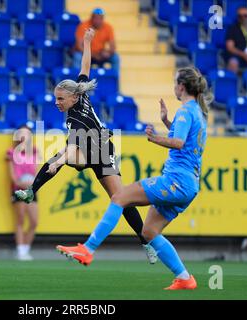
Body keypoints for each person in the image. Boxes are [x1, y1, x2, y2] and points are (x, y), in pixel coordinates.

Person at [57, 67, 213, 290]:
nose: (174, 87)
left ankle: (88, 249)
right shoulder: (197, 112)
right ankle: (185, 278)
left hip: (176, 181)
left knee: (119, 197)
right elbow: (185, 139)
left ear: (182, 86)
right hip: (189, 185)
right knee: (149, 231)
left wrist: (154, 138)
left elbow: (178, 143)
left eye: (175, 83)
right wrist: (167, 121)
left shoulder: (186, 111)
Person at [15, 28, 157, 263]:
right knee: (60, 155)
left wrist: (59, 162)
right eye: (55, 98)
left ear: (72, 97)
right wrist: (88, 42)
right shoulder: (81, 96)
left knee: (120, 198)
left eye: (60, 98)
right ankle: (31, 192)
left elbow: (71, 149)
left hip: (101, 150)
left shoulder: (74, 119)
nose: (56, 102)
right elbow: (85, 67)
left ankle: (147, 242)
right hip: (85, 150)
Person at [6, 125, 39, 261]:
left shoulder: (34, 151)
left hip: (31, 189)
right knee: (20, 219)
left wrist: (33, 184)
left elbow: (36, 171)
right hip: (18, 189)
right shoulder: (12, 152)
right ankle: (20, 250)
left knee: (34, 222)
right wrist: (20, 184)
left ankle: (25, 249)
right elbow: (12, 175)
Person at [73, 8, 120, 74]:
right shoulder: (83, 26)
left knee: (115, 57)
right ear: (91, 18)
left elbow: (113, 47)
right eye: (96, 18)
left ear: (103, 19)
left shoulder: (108, 27)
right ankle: (77, 81)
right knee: (77, 56)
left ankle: (114, 81)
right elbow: (79, 46)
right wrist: (91, 54)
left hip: (100, 53)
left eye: (100, 18)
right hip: (87, 53)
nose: (98, 21)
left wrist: (108, 52)